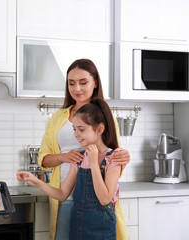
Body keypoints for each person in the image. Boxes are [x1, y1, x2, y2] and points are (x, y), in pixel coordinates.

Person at [37, 59, 130, 240]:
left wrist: (124, 157)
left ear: (95, 83)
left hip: (99, 199)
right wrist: (65, 157)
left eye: (83, 82)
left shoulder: (106, 117)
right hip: (67, 194)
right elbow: (44, 159)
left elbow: (113, 158)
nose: (77, 89)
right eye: (71, 83)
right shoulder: (58, 117)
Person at [18, 97, 122, 239]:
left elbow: (104, 199)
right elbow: (62, 194)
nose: (76, 135)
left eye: (81, 129)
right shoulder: (80, 158)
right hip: (78, 226)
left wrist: (93, 163)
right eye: (74, 129)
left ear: (99, 129)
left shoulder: (113, 158)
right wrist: (36, 181)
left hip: (102, 230)